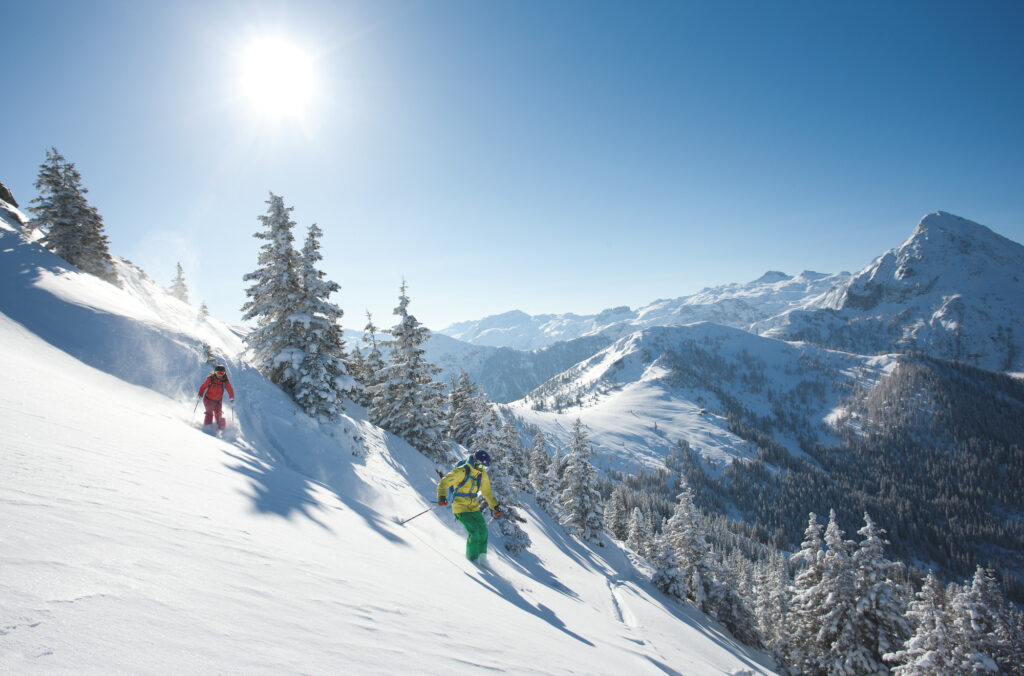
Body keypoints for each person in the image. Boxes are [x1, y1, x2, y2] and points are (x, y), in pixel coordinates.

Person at [437, 450, 502, 563]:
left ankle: (482, 559)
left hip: (473, 507)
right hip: (460, 506)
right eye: (481, 466)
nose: (482, 469)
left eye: (485, 467)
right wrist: (442, 496)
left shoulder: (481, 474)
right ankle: (472, 561)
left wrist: (495, 506)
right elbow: (444, 482)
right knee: (474, 532)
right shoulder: (462, 471)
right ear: (475, 462)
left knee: (483, 531)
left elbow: (486, 491)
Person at [198, 364, 234, 430]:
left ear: (224, 373)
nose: (219, 375)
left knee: (219, 415)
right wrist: (200, 394)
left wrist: (231, 398)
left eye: (221, 373)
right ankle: (207, 428)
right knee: (209, 412)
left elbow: (230, 390)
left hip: (218, 401)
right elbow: (203, 387)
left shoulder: (225, 381)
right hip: (208, 399)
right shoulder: (211, 379)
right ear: (215, 372)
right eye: (218, 373)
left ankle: (222, 430)